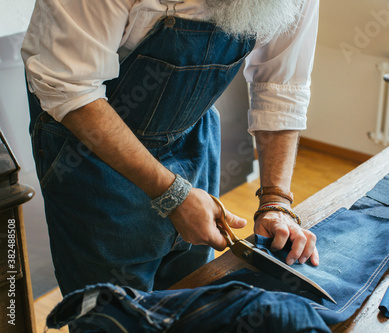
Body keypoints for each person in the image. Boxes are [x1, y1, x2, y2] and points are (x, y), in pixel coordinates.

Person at [21, 0, 320, 296]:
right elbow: (68, 86)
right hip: (92, 157)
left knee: (189, 298)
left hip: (192, 142)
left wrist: (276, 202)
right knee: (114, 315)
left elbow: (280, 87)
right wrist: (173, 195)